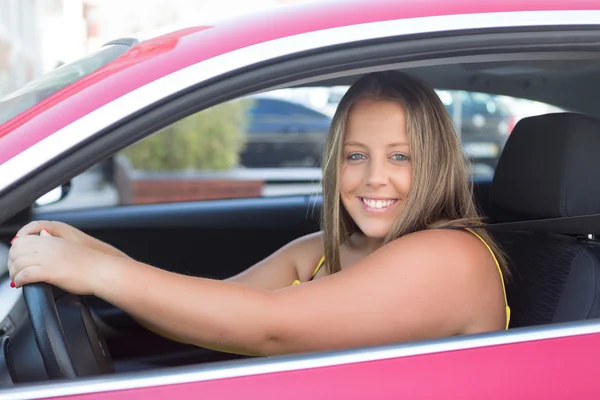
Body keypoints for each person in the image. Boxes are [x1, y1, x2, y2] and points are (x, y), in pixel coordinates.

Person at [7, 71, 510, 356]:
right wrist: (98, 256)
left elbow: (271, 325)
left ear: (436, 162)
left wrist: (102, 271)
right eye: (356, 156)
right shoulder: (322, 254)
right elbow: (219, 307)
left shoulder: (450, 258)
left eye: (400, 157)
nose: (374, 177)